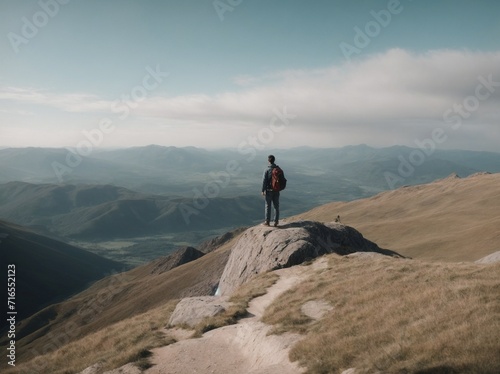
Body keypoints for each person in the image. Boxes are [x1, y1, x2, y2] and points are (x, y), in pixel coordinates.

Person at [261, 154, 280, 227]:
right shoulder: (278, 169)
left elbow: (264, 181)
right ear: (274, 160)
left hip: (269, 190)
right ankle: (276, 222)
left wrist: (263, 190)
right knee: (276, 206)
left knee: (268, 206)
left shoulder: (267, 169)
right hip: (276, 190)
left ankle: (267, 222)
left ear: (268, 161)